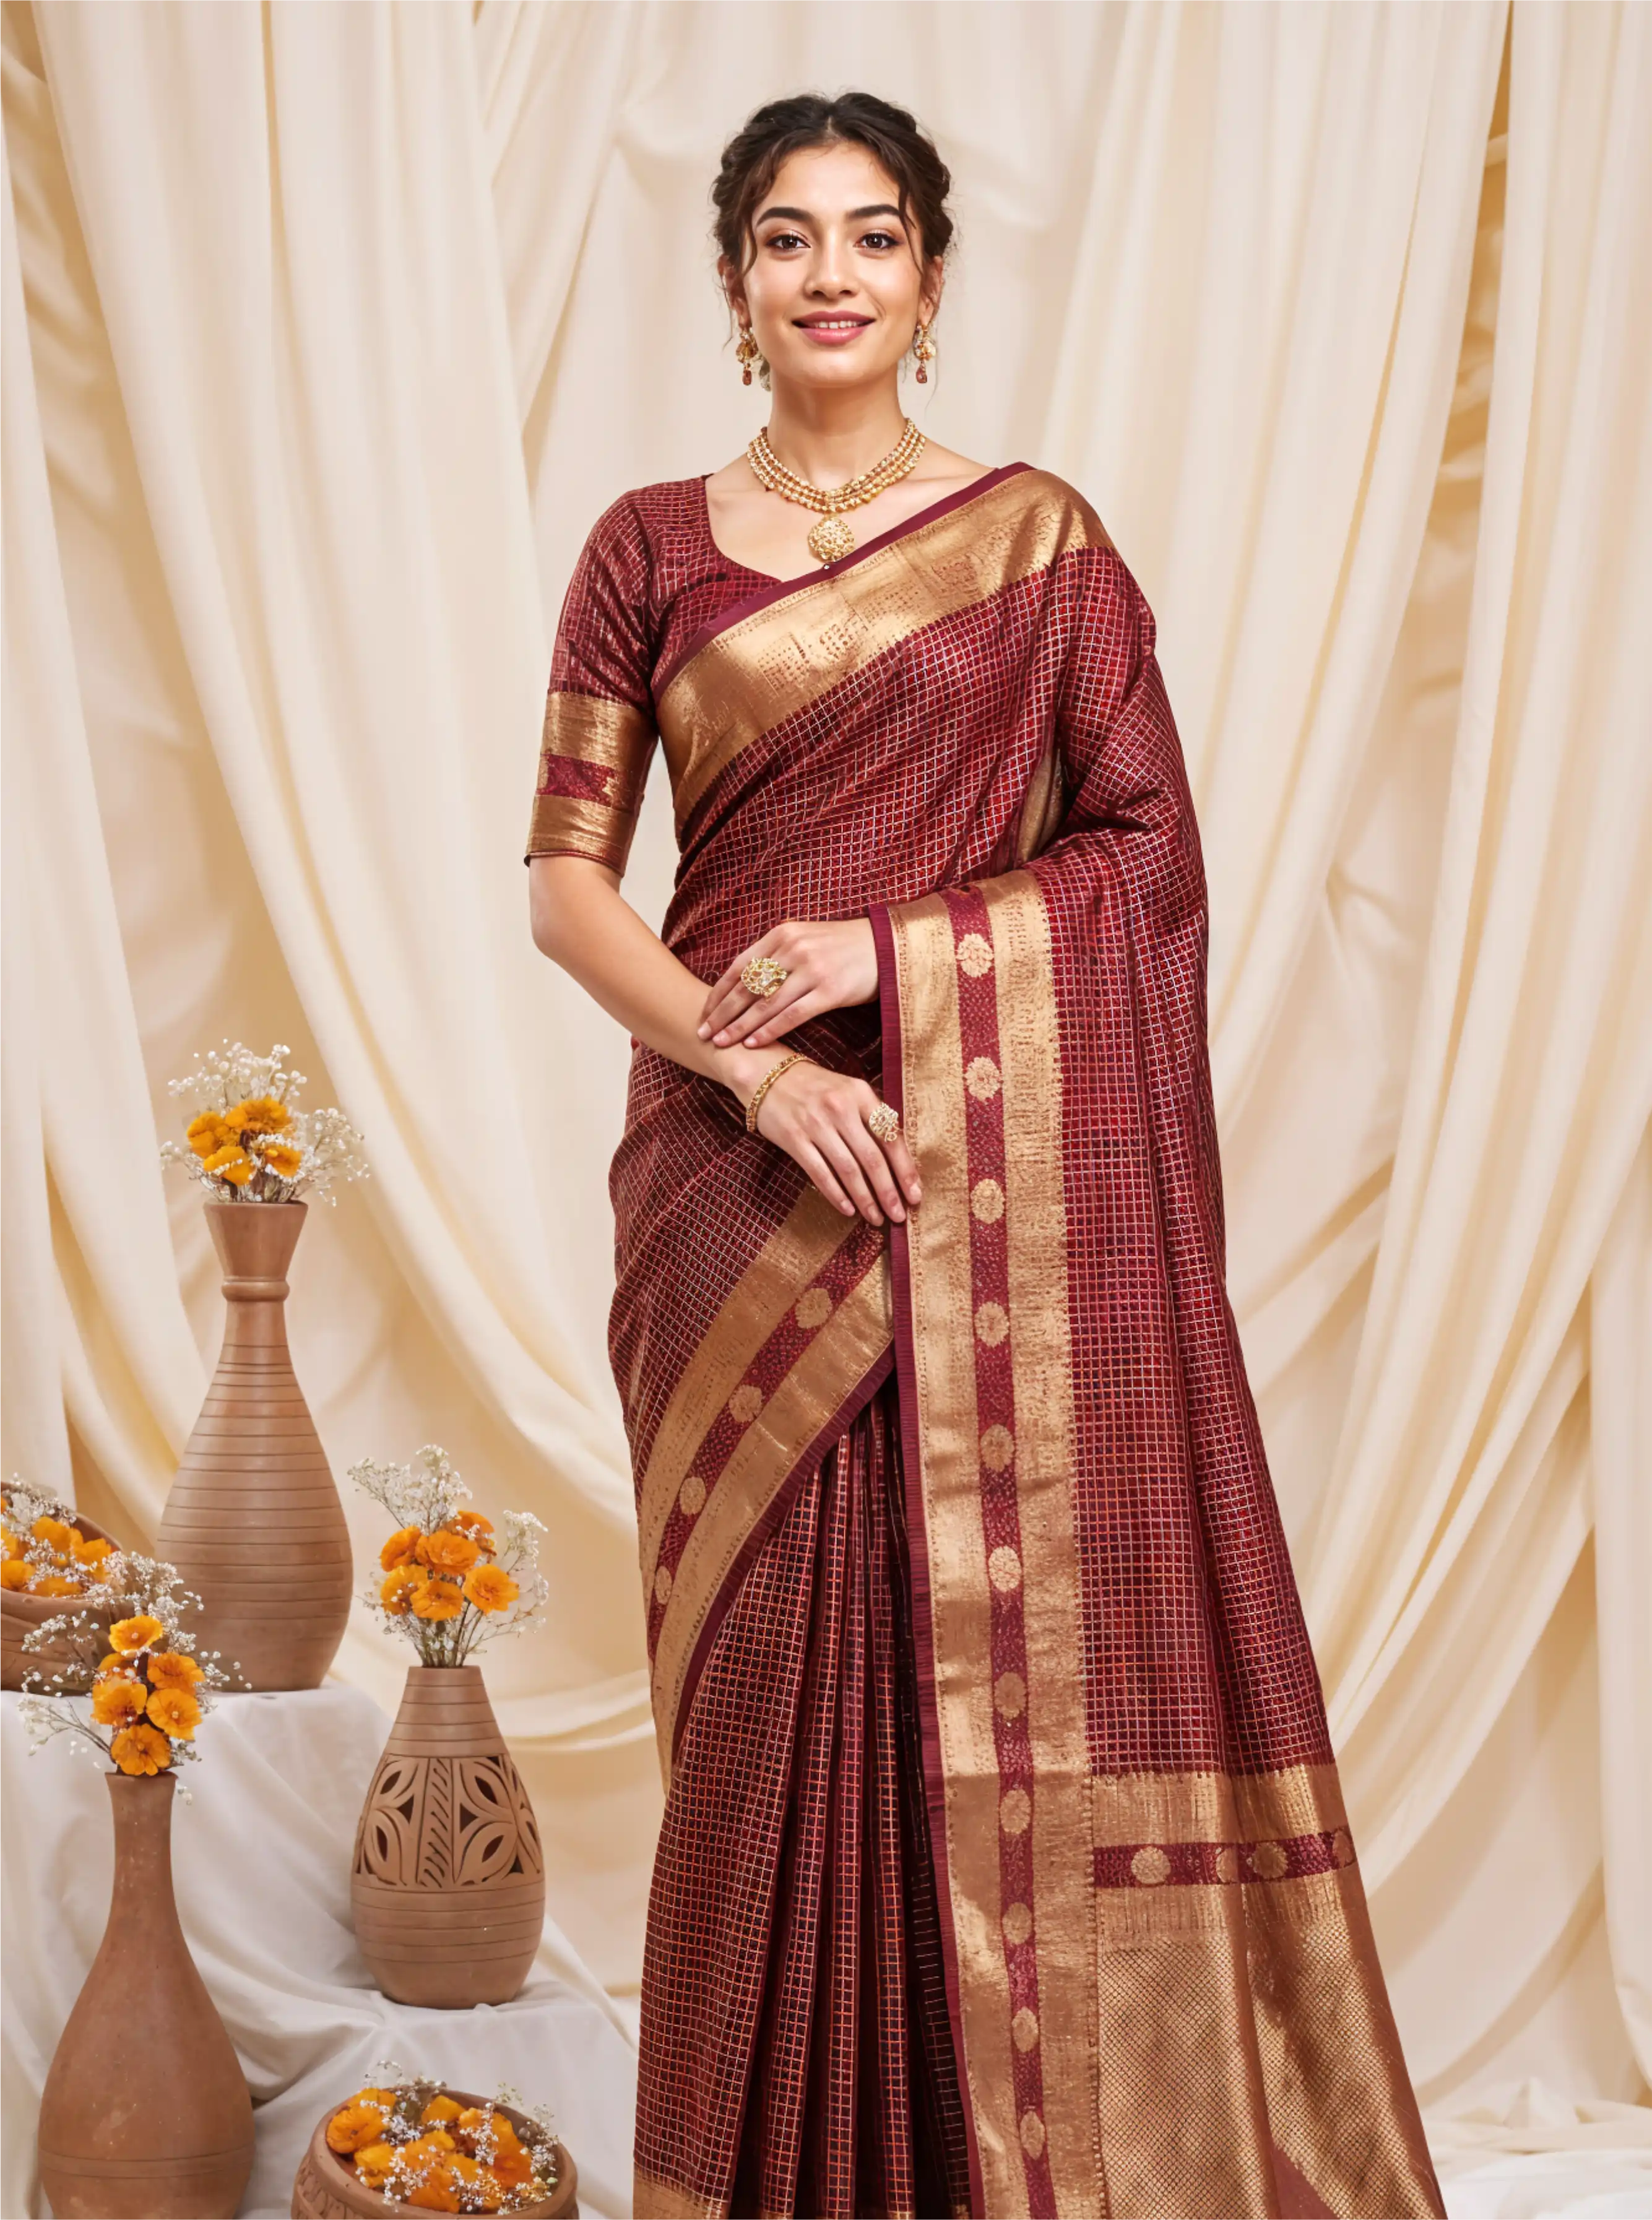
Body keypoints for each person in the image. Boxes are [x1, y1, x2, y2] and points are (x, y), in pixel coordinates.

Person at [527, 88, 1443, 2220]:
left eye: (870, 234)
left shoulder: (1039, 543)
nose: (828, 272)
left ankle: (990, 2161)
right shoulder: (645, 550)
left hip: (969, 1189)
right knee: (764, 1697)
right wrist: (758, 1074)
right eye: (784, 237)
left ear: (931, 278)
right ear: (735, 284)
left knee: (986, 1670)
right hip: (730, 1181)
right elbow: (567, 887)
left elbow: (1148, 861)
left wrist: (885, 954)